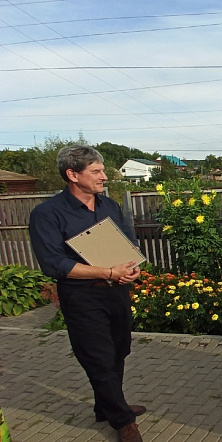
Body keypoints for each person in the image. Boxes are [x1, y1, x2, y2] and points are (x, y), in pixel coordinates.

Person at [28, 145, 145, 442]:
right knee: (99, 358)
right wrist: (107, 272)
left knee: (119, 350)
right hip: (82, 297)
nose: (104, 176)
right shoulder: (47, 213)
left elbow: (129, 243)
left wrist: (134, 268)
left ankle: (105, 405)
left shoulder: (109, 206)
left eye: (102, 170)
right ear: (72, 174)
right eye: (96, 171)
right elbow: (54, 264)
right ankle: (123, 420)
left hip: (116, 292)